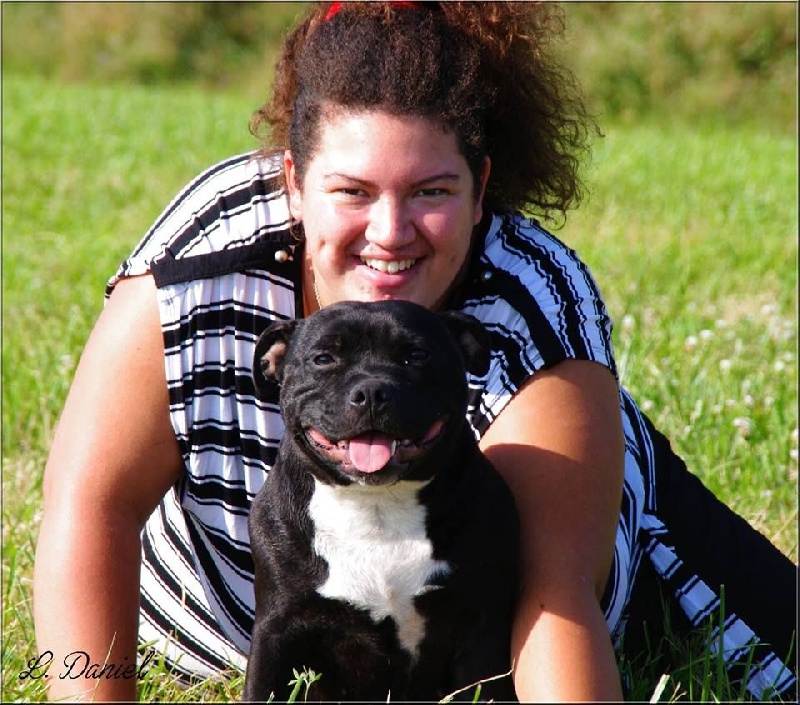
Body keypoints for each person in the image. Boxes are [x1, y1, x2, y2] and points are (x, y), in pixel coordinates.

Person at [33, 2, 796, 702]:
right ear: (294, 183)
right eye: (353, 191)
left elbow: (551, 597)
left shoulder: (531, 302)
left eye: (431, 191)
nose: (390, 232)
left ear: (480, 188)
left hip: (483, 629)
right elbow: (91, 504)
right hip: (225, 622)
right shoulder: (203, 261)